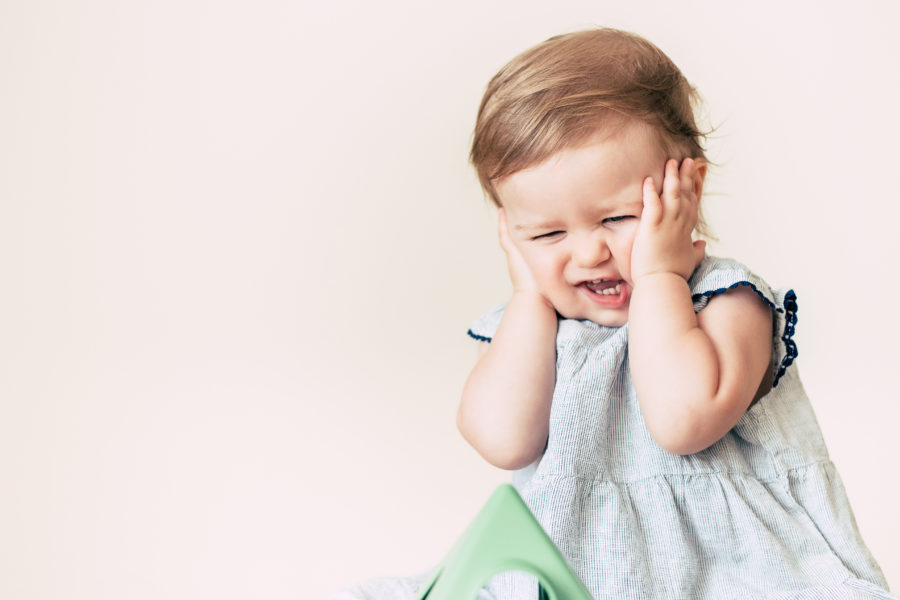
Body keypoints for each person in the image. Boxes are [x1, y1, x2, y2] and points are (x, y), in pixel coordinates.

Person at [334, 28, 896, 599]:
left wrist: (658, 278)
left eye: (618, 219)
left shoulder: (727, 300)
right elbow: (504, 440)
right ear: (510, 231)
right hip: (564, 576)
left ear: (688, 191)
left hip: (723, 572)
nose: (588, 253)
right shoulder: (531, 326)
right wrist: (529, 296)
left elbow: (683, 421)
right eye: (547, 232)